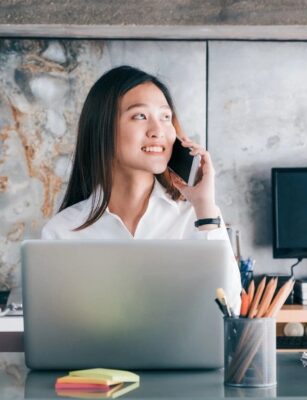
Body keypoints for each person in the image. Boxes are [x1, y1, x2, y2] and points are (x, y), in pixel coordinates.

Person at [41, 65, 240, 311]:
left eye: (165, 117)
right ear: (103, 128)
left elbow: (231, 311)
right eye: (140, 116)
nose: (158, 131)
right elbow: (57, 328)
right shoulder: (62, 232)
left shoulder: (197, 217)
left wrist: (204, 207)